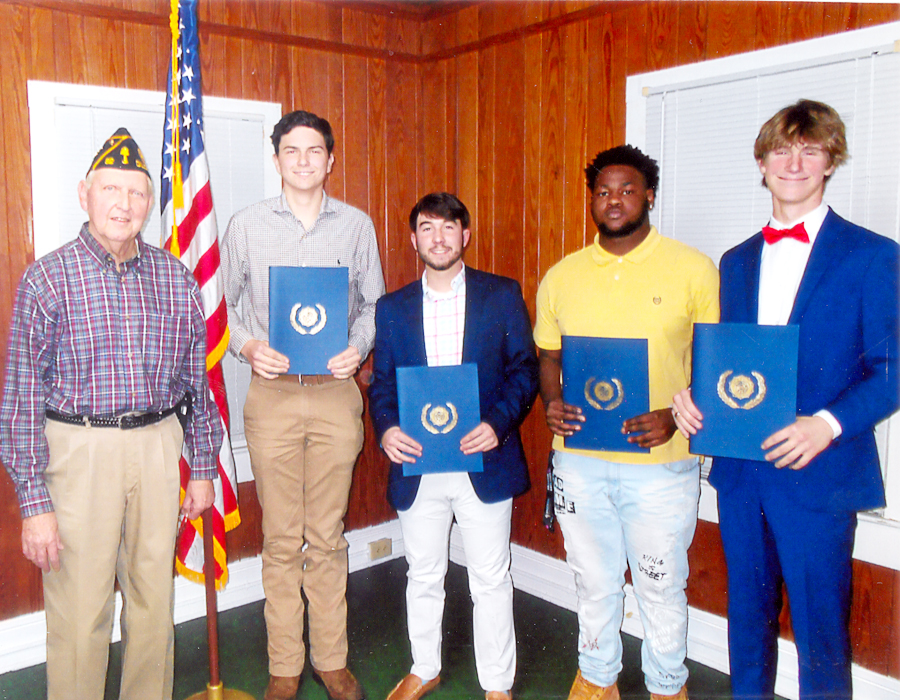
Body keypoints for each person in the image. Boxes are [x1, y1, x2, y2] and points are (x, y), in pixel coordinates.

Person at [673, 99, 899, 700]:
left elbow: (892, 367)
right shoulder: (737, 260)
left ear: (830, 163)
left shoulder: (874, 254)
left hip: (820, 475)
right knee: (747, 623)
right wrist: (694, 399)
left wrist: (826, 424)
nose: (794, 162)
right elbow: (737, 368)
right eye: (782, 149)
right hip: (743, 476)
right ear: (762, 162)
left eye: (811, 150)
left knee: (822, 635)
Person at [0, 128, 223, 700]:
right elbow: (21, 400)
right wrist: (34, 504)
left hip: (157, 447)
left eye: (137, 193)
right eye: (111, 189)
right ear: (85, 193)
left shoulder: (175, 278)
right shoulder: (47, 279)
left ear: (151, 202)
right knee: (80, 609)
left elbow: (193, 384)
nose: (124, 204)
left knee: (155, 600)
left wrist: (201, 466)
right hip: (80, 454)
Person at [534, 145, 719, 700]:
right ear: (592, 198)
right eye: (603, 191)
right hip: (579, 461)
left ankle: (667, 685)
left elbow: (714, 365)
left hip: (662, 465)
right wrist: (551, 403)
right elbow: (549, 355)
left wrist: (674, 416)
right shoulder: (562, 275)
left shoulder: (692, 269)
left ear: (650, 196)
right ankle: (597, 679)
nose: (614, 201)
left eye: (628, 190)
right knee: (593, 582)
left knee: (662, 585)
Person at [221, 110, 385, 700]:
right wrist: (249, 346)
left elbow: (373, 306)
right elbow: (224, 306)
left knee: (329, 535)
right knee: (282, 539)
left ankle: (332, 660)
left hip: (337, 397)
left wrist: (357, 348)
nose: (304, 160)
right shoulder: (245, 225)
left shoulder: (356, 226)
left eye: (314, 150)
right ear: (277, 158)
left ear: (330, 159)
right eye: (292, 150)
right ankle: (285, 666)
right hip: (273, 400)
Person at [368, 192, 538, 700]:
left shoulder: (501, 295)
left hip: (483, 458)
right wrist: (386, 429)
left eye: (448, 228)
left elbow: (524, 371)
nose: (437, 238)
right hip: (418, 462)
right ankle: (424, 666)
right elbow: (381, 385)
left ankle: (498, 684)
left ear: (465, 235)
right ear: (414, 238)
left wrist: (498, 425)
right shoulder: (392, 307)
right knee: (422, 572)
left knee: (490, 577)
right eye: (426, 228)